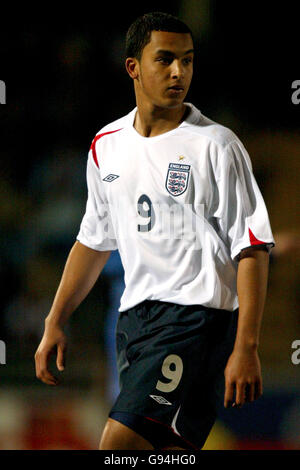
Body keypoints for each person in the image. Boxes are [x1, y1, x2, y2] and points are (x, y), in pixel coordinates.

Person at [35, 12, 275, 450]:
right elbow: (92, 242)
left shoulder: (216, 145)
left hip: (194, 321)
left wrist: (247, 346)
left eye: (187, 60)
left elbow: (253, 247)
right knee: (164, 452)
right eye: (165, 59)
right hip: (134, 325)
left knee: (119, 446)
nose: (178, 72)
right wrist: (55, 321)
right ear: (133, 67)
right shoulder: (106, 145)